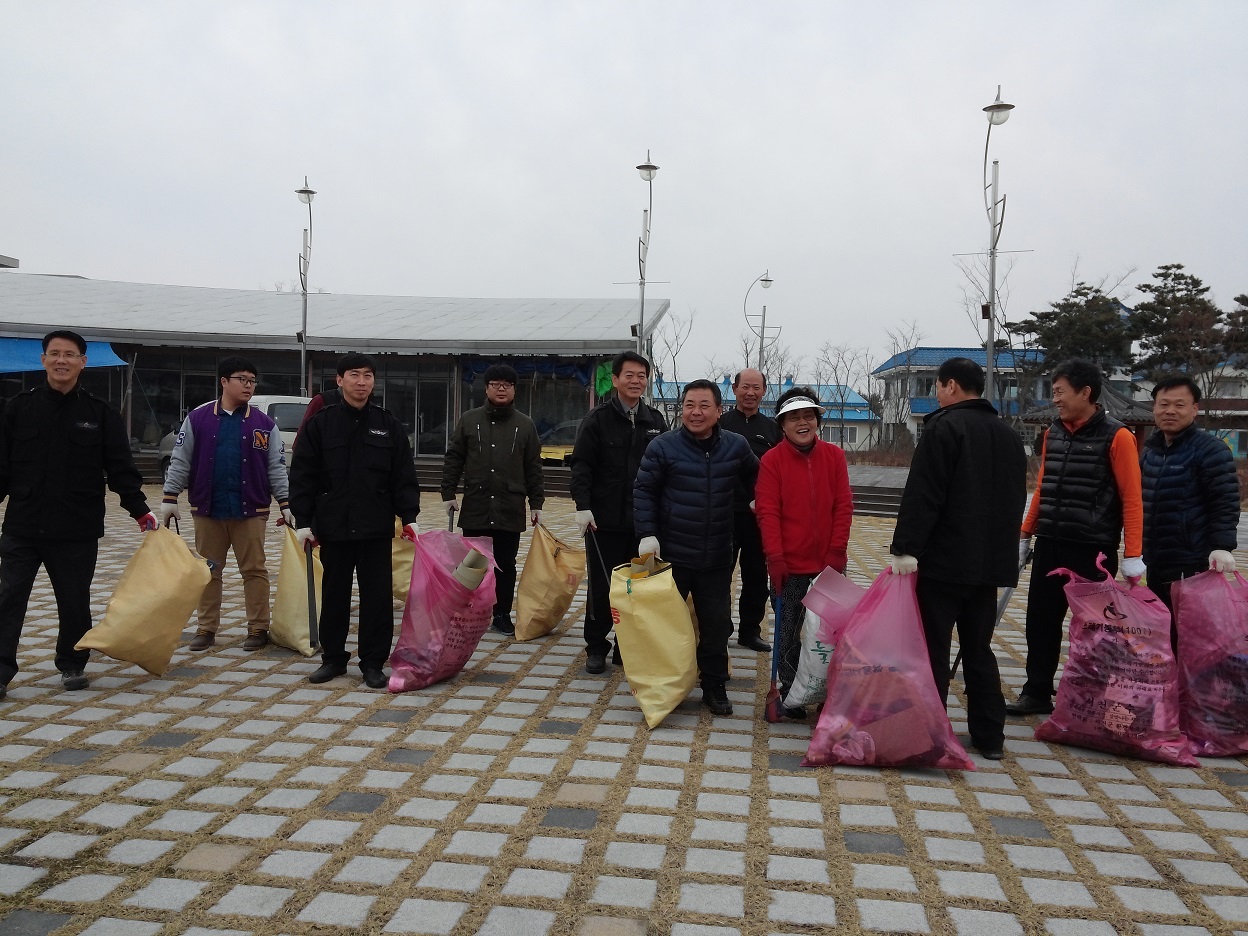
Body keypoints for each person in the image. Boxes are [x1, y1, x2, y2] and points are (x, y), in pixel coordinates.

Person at [0, 330, 156, 696]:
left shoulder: (98, 413)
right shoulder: (18, 408)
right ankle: (2, 671)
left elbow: (120, 466)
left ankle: (71, 664)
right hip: (23, 524)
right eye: (54, 353)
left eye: (70, 354)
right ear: (43, 360)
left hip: (76, 527)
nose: (61, 360)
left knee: (74, 600)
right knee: (8, 599)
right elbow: (2, 466)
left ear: (83, 363)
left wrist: (138, 509)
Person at [889, 358, 1027, 759]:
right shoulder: (1007, 435)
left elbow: (924, 496)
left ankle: (929, 731)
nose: (937, 392)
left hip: (945, 564)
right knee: (978, 649)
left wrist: (905, 548)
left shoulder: (944, 428)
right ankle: (990, 737)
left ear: (950, 386)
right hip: (988, 567)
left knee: (933, 648)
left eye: (938, 385)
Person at [1007, 359, 1144, 717]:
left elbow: (1132, 498)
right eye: (1053, 392)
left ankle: (1093, 698)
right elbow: (1042, 487)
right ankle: (1036, 691)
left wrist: (1133, 553)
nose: (1056, 399)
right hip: (1051, 543)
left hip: (1092, 549)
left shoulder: (1119, 436)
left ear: (1086, 392)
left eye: (1060, 392)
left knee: (1094, 629)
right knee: (1040, 622)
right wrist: (1025, 534)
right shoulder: (1054, 432)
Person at [288, 353, 421, 688]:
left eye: (368, 376)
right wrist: (303, 521)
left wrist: (410, 517)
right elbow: (303, 475)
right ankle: (333, 659)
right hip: (333, 525)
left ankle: (373, 663)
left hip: (375, 526)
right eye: (354, 375)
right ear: (339, 380)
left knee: (378, 597)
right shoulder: (322, 423)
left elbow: (403, 475)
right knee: (334, 594)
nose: (361, 382)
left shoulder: (387, 424)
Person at [633, 379, 759, 717]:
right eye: (689, 405)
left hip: (717, 553)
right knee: (664, 624)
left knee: (716, 625)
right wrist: (647, 534)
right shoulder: (663, 446)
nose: (696, 412)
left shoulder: (736, 445)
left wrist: (757, 500)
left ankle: (714, 685)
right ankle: (662, 684)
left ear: (719, 411)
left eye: (704, 406)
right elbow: (644, 491)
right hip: (670, 554)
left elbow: (757, 477)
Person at [160, 356, 294, 652]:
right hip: (209, 509)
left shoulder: (264, 424)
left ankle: (258, 628)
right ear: (224, 382)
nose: (248, 386)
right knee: (209, 571)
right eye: (242, 379)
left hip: (251, 510)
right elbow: (181, 459)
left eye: (252, 381)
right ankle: (206, 628)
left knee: (255, 570)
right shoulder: (198, 418)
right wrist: (170, 496)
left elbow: (276, 467)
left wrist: (286, 503)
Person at [755, 386, 853, 720]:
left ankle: (829, 692)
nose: (802, 423)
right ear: (782, 425)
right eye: (794, 417)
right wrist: (775, 558)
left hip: (829, 566)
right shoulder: (772, 461)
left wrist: (837, 552)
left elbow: (843, 506)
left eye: (808, 416)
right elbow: (768, 512)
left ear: (817, 421)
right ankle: (792, 692)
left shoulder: (834, 457)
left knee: (832, 635)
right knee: (788, 632)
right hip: (790, 566)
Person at [568, 351, 667, 673]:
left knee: (638, 587)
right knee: (602, 587)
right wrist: (583, 507)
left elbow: (666, 469)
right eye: (629, 375)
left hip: (642, 523)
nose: (636, 381)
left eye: (641, 375)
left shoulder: (656, 420)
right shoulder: (597, 420)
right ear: (615, 380)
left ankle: (628, 646)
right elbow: (581, 466)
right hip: (604, 521)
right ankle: (596, 646)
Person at [441, 363, 545, 636]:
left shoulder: (525, 425)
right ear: (486, 388)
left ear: (514, 390)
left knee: (505, 564)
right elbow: (454, 457)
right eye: (496, 384)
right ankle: (471, 611)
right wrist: (448, 493)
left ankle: (501, 614)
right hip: (476, 502)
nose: (501, 389)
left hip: (508, 507)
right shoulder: (469, 419)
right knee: (473, 564)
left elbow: (533, 466)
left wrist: (536, 503)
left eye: (507, 385)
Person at [1140, 375, 1240, 619]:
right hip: (1155, 557)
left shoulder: (1210, 450)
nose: (1170, 411)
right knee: (1162, 627)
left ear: (1195, 409)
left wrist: (1221, 547)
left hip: (1191, 560)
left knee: (1190, 630)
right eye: (1163, 404)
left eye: (1179, 405)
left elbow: (1225, 501)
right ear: (1154, 408)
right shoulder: (1151, 452)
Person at [719, 368, 782, 653]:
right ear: (734, 389)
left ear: (764, 391)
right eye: (745, 387)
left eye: (756, 387)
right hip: (724, 513)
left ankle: (750, 631)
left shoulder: (772, 429)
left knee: (757, 577)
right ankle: (718, 627)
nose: (750, 393)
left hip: (760, 516)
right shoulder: (719, 424)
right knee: (719, 575)